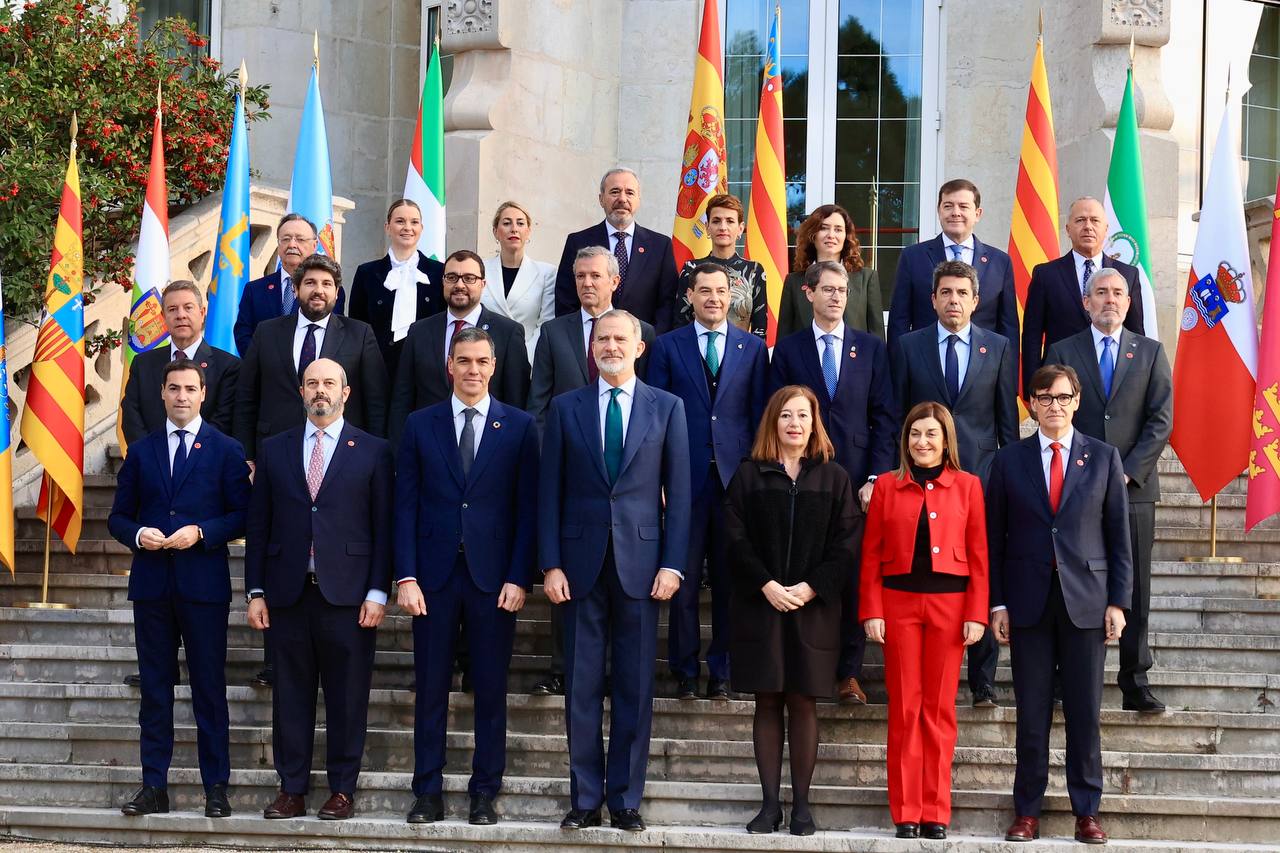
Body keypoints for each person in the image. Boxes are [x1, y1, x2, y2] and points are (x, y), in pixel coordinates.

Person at [539, 309, 691, 832]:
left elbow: (682, 495)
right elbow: (549, 494)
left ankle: (625, 798)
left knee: (634, 686)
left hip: (643, 567)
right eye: (601, 338)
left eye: (619, 338)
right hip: (579, 567)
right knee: (580, 686)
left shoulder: (667, 408)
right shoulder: (565, 408)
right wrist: (551, 563)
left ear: (639, 346)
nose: (610, 346)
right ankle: (585, 797)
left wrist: (673, 563)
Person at [394, 327, 540, 826]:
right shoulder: (419, 424)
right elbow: (405, 505)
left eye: (481, 361)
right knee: (430, 688)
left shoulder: (519, 427)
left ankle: (484, 791)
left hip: (493, 580)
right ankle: (427, 792)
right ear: (449, 366)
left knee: (491, 689)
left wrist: (520, 576)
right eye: (464, 361)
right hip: (432, 579)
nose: (473, 370)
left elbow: (527, 510)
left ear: (493, 367)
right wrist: (406, 576)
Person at [988, 364, 1132, 845]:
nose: (1054, 405)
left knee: (1085, 712)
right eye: (1044, 397)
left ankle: (1086, 811)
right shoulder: (1009, 461)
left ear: (1077, 401)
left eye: (1063, 396)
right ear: (1031, 404)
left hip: (1086, 603)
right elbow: (994, 538)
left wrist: (1119, 602)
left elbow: (1118, 536)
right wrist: (997, 604)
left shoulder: (1105, 457)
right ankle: (1026, 810)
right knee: (1031, 712)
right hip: (1027, 603)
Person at [244, 358, 394, 821]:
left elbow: (384, 528)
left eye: (329, 383)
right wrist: (254, 591)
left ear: (346, 392)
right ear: (301, 391)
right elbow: (259, 523)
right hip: (288, 593)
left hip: (349, 597)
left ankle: (342, 789)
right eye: (312, 383)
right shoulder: (275, 449)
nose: (320, 391)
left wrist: (378, 591)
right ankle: (291, 788)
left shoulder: (372, 450)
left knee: (348, 697)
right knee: (291, 694)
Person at [107, 359, 250, 819]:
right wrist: (137, 534)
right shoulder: (142, 452)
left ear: (203, 393)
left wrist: (203, 532)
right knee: (155, 691)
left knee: (209, 689)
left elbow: (241, 516)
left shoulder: (226, 450)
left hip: (203, 586)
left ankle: (216, 788)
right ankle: (154, 786)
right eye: (174, 389)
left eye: (191, 388)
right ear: (163, 395)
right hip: (152, 587)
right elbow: (117, 517)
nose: (182, 396)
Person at [723, 385, 861, 836]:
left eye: (802, 415)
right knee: (767, 699)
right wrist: (765, 584)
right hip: (759, 605)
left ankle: (801, 805)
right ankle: (769, 806)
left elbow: (846, 546)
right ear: (773, 422)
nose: (794, 424)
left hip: (813, 607)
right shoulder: (748, 475)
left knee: (802, 701)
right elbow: (733, 538)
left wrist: (810, 587)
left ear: (814, 422)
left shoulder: (834, 477)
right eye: (785, 416)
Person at [525, 246, 656, 697]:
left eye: (595, 276)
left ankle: (617, 675)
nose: (586, 283)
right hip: (570, 480)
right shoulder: (554, 333)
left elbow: (650, 408)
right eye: (580, 276)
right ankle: (566, 668)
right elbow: (538, 405)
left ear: (613, 281)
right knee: (570, 577)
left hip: (625, 483)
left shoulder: (643, 334)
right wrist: (548, 465)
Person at [1044, 267, 1173, 714]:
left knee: (1133, 584)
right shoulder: (1061, 351)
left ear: (1129, 301)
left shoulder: (1151, 352)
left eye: (1118, 292)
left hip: (1133, 489)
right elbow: (1057, 414)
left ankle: (1134, 678)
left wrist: (1124, 471)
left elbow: (1161, 419)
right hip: (1074, 487)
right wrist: (1088, 472)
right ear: (1086, 302)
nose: (1110, 300)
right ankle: (1064, 676)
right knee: (1069, 575)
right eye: (1100, 292)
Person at [860, 402, 989, 841]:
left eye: (931, 434)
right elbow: (872, 553)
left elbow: (978, 556)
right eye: (915, 434)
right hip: (897, 606)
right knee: (905, 709)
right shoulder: (887, 488)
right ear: (905, 440)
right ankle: (906, 811)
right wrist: (872, 609)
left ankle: (936, 810)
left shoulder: (969, 486)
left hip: (950, 609)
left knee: (939, 711)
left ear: (946, 439)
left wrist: (976, 613)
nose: (922, 442)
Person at [770, 259, 897, 705]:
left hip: (858, 486)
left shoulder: (872, 348)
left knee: (851, 577)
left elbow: (884, 417)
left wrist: (877, 477)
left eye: (843, 290)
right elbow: (777, 416)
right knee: (806, 574)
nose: (837, 297)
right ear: (809, 294)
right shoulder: (787, 351)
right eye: (828, 290)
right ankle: (809, 670)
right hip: (803, 483)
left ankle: (848, 674)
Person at [890, 259, 1016, 707]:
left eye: (962, 293)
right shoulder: (908, 346)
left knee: (982, 569)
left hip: (980, 480)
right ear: (933, 299)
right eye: (945, 293)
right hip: (920, 482)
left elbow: (1006, 423)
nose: (954, 300)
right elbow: (897, 416)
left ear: (976, 301)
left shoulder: (998, 348)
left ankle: (982, 682)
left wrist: (1007, 479)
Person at [648, 262, 768, 700]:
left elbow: (759, 419)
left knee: (728, 580)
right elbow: (655, 415)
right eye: (705, 291)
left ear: (732, 297)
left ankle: (722, 670)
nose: (714, 298)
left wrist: (756, 480)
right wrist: (658, 476)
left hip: (735, 482)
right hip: (681, 479)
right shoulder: (666, 347)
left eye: (721, 291)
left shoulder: (752, 350)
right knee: (679, 575)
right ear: (691, 297)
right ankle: (683, 670)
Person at [233, 253, 388, 465]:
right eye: (310, 283)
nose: (318, 290)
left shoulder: (360, 334)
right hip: (275, 452)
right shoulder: (266, 332)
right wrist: (247, 456)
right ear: (296, 289)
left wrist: (375, 457)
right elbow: (246, 397)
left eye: (327, 284)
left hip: (342, 456)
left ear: (336, 293)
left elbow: (376, 402)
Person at [388, 249, 529, 445]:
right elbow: (402, 398)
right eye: (452, 277)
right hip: (428, 446)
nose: (459, 285)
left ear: (483, 284)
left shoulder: (508, 332)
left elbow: (516, 400)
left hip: (489, 446)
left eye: (469, 278)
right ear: (443, 282)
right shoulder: (419, 331)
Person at [887, 179, 1019, 365]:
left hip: (983, 371)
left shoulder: (1000, 262)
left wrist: (1008, 381)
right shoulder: (913, 257)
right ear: (939, 211)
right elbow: (898, 321)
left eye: (963, 206)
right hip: (924, 367)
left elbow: (1008, 327)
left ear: (977, 213)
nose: (955, 213)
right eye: (948, 206)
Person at [1021, 196, 1144, 394]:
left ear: (1106, 229)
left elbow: (1136, 333)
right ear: (1068, 229)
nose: (1088, 226)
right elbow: (1032, 337)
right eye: (1080, 220)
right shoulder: (1046, 274)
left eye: (1095, 221)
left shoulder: (1128, 274)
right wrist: (1033, 391)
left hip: (1113, 383)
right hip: (1060, 386)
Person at [120, 280, 239, 457]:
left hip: (206, 466)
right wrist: (152, 457)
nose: (180, 315)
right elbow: (131, 417)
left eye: (188, 307)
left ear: (202, 313)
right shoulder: (142, 363)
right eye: (172, 309)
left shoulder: (228, 366)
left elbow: (223, 420)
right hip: (151, 466)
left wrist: (189, 458)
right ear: (163, 316)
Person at [553, 168, 681, 332]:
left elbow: (667, 303)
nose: (622, 199)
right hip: (590, 345)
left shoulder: (660, 245)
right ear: (601, 199)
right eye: (615, 192)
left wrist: (651, 342)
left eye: (629, 193)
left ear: (638, 200)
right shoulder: (578, 242)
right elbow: (566, 299)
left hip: (643, 348)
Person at [347, 199, 446, 380]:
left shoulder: (440, 272)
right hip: (377, 369)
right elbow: (356, 325)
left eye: (414, 222)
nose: (407, 227)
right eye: (400, 221)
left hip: (426, 371)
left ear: (422, 229)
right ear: (387, 227)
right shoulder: (367, 273)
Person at [233, 214, 347, 356]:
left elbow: (333, 333)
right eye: (286, 239)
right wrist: (263, 363)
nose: (292, 244)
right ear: (278, 244)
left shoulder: (329, 291)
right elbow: (243, 333)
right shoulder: (255, 289)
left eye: (300, 239)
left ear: (314, 245)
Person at [776, 204, 883, 340]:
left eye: (838, 229)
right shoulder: (794, 281)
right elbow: (784, 341)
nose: (831, 235)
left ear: (846, 236)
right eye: (824, 228)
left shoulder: (867, 279)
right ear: (812, 235)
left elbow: (877, 339)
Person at [674, 193, 767, 339]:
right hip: (695, 353)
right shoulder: (691, 268)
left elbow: (760, 329)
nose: (723, 227)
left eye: (730, 221)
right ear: (707, 227)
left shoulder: (754, 271)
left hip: (741, 354)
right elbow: (680, 322)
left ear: (740, 228)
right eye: (716, 221)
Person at [480, 200, 557, 363]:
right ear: (495, 232)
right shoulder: (480, 270)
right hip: (482, 360)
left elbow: (546, 324)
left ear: (528, 231)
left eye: (520, 223)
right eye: (506, 223)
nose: (514, 228)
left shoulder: (546, 273)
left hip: (526, 360)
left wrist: (520, 356)